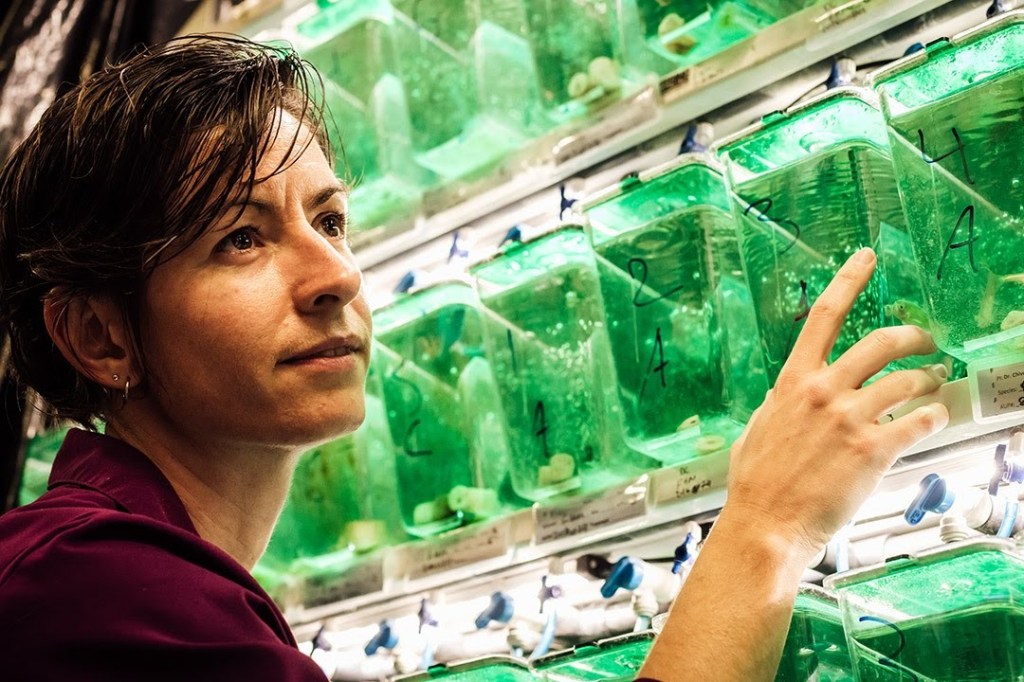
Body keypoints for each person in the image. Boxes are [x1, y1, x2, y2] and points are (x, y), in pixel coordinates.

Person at [0, 35, 948, 681]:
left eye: (330, 219)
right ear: (99, 336)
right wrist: (769, 527)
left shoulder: (123, 575)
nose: (334, 273)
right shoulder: (108, 591)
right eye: (239, 240)